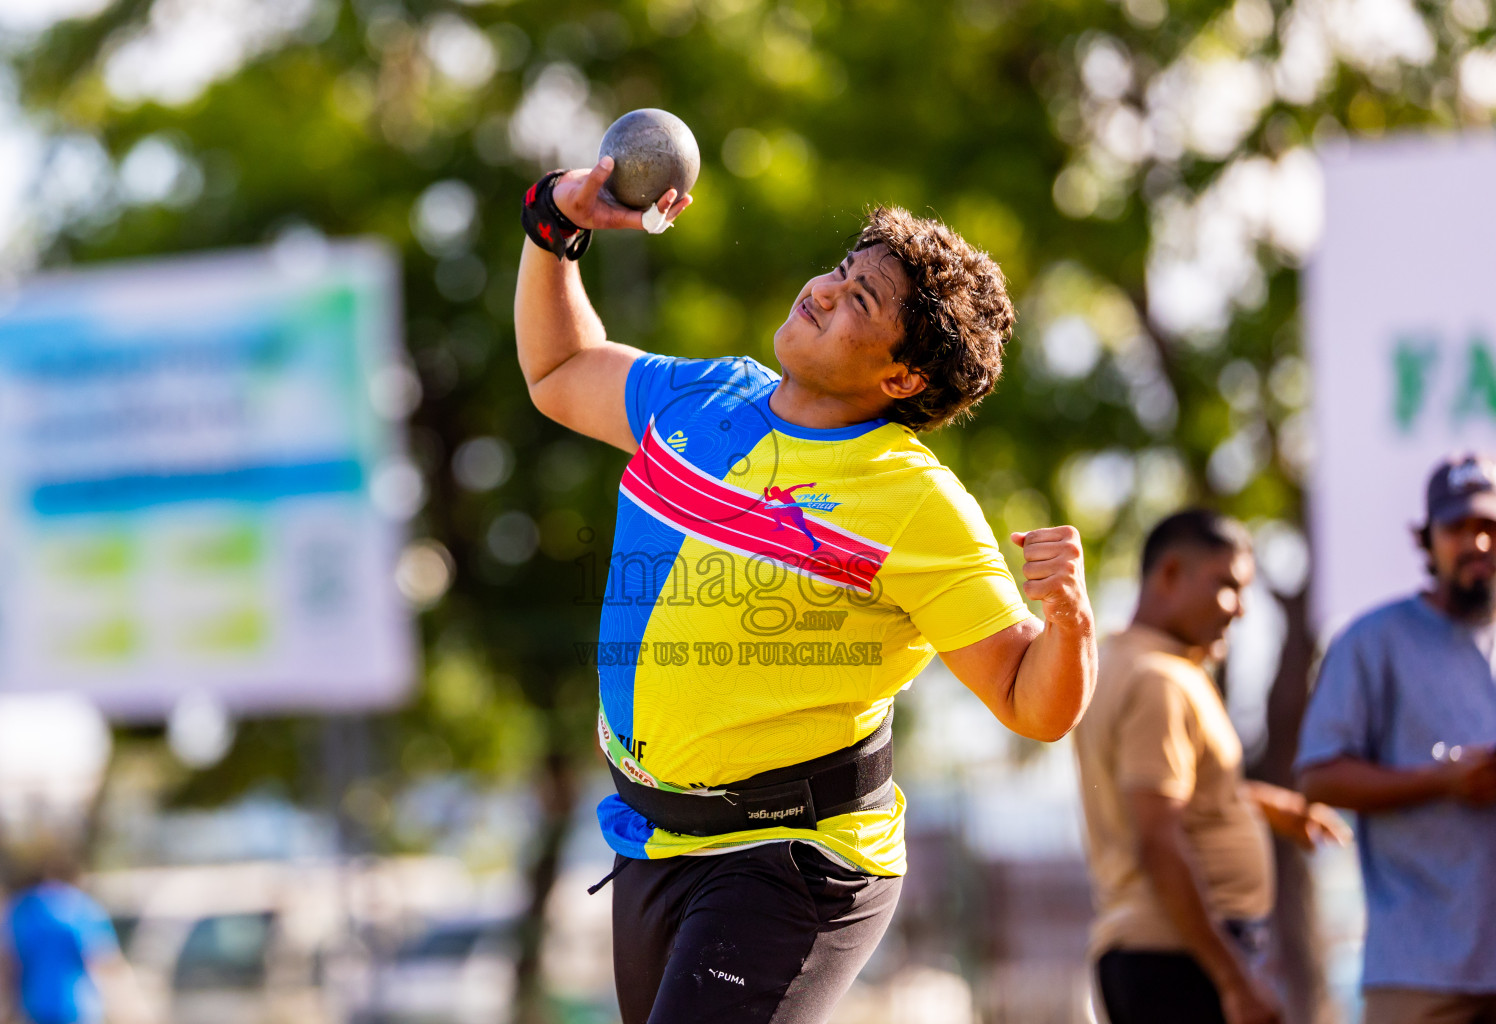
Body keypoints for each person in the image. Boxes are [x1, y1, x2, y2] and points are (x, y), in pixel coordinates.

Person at [514, 159, 1097, 1023]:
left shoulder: (916, 503)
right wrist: (553, 230)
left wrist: (1070, 622)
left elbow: (1030, 702)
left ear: (903, 380)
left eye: (861, 301)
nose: (824, 292)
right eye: (842, 272)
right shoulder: (706, 395)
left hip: (793, 858)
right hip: (653, 839)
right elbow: (560, 370)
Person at [1073, 510, 1348, 1024]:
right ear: (1170, 574)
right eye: (1226, 586)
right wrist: (1234, 979)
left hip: (1163, 956)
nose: (1240, 610)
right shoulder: (1160, 681)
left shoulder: (1115, 663)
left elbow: (1165, 794)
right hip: (1180, 961)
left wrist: (1261, 806)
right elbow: (1158, 839)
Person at [1297, 454, 1496, 1024]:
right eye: (1458, 528)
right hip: (1418, 971)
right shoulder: (1372, 641)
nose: (1476, 543)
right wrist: (1441, 779)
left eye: (1489, 527)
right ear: (1426, 539)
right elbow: (1318, 774)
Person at [0, 859, 130, 1024]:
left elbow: (9, 963)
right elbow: (104, 959)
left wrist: (8, 1007)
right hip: (79, 1007)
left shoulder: (23, 909)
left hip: (36, 1005)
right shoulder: (84, 907)